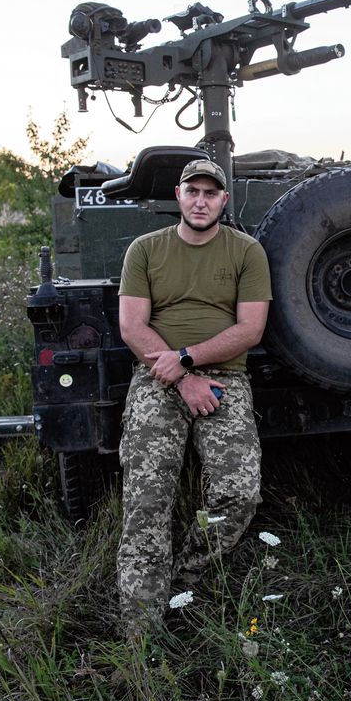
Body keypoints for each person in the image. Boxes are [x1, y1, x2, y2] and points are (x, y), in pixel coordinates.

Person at [115, 158, 272, 629]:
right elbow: (131, 326)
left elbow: (251, 329)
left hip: (225, 379)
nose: (201, 200)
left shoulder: (246, 251)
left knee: (239, 493)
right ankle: (139, 626)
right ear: (178, 197)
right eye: (193, 191)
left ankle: (186, 583)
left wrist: (190, 360)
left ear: (224, 200)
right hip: (158, 377)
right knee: (147, 499)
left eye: (211, 193)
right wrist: (182, 376)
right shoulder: (145, 250)